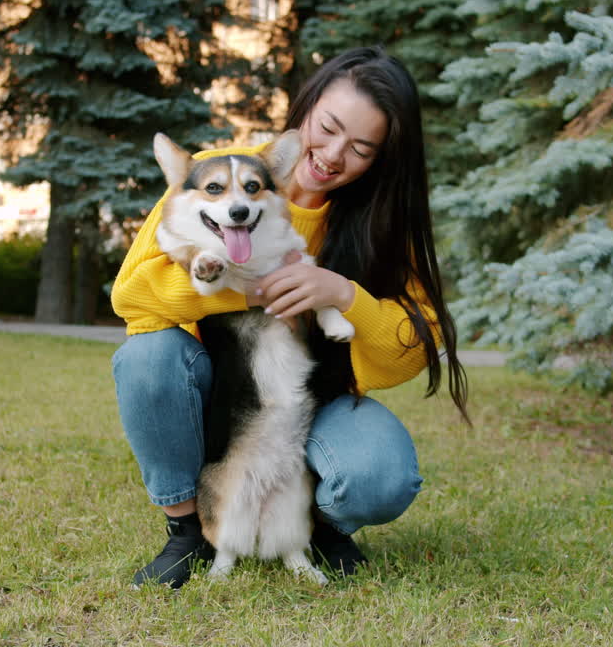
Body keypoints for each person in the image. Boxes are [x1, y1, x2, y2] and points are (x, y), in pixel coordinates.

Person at [110, 46, 468, 588]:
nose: (331, 155)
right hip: (215, 392)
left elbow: (413, 349)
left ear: (382, 159)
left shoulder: (380, 220)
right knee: (146, 357)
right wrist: (250, 292)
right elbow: (131, 297)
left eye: (362, 149)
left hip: (307, 400)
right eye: (327, 128)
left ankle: (316, 522)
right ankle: (187, 535)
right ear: (306, 105)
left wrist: (344, 293)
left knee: (381, 475)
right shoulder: (218, 177)